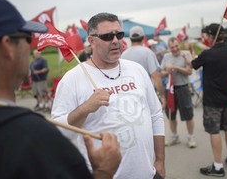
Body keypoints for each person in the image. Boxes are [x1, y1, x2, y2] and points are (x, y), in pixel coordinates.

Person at [0, 0, 121, 179]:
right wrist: (103, 172)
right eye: (27, 37)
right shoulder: (31, 136)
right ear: (8, 46)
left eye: (119, 34)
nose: (31, 47)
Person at [51, 12, 165, 179]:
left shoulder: (136, 69)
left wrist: (160, 160)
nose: (115, 41)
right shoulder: (72, 79)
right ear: (91, 40)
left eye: (119, 35)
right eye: (107, 36)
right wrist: (86, 108)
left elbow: (155, 115)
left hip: (149, 174)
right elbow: (59, 133)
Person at [189, 23, 227, 177]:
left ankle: (218, 166)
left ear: (211, 36)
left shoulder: (207, 54)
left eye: (207, 36)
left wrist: (189, 55)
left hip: (212, 101)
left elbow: (193, 65)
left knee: (214, 131)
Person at [160, 37, 197, 148]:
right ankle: (174, 137)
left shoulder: (186, 54)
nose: (175, 49)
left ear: (179, 45)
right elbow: (161, 72)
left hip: (183, 88)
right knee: (171, 114)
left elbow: (190, 71)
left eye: (176, 46)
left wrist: (175, 67)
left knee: (188, 114)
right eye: (172, 47)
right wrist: (167, 72)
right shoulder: (166, 56)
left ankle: (191, 137)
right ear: (169, 48)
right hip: (170, 89)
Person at [121, 26, 166, 109]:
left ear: (130, 38)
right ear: (143, 38)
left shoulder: (124, 55)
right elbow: (156, 76)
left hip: (129, 96)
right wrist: (162, 96)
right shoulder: (148, 52)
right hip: (146, 95)